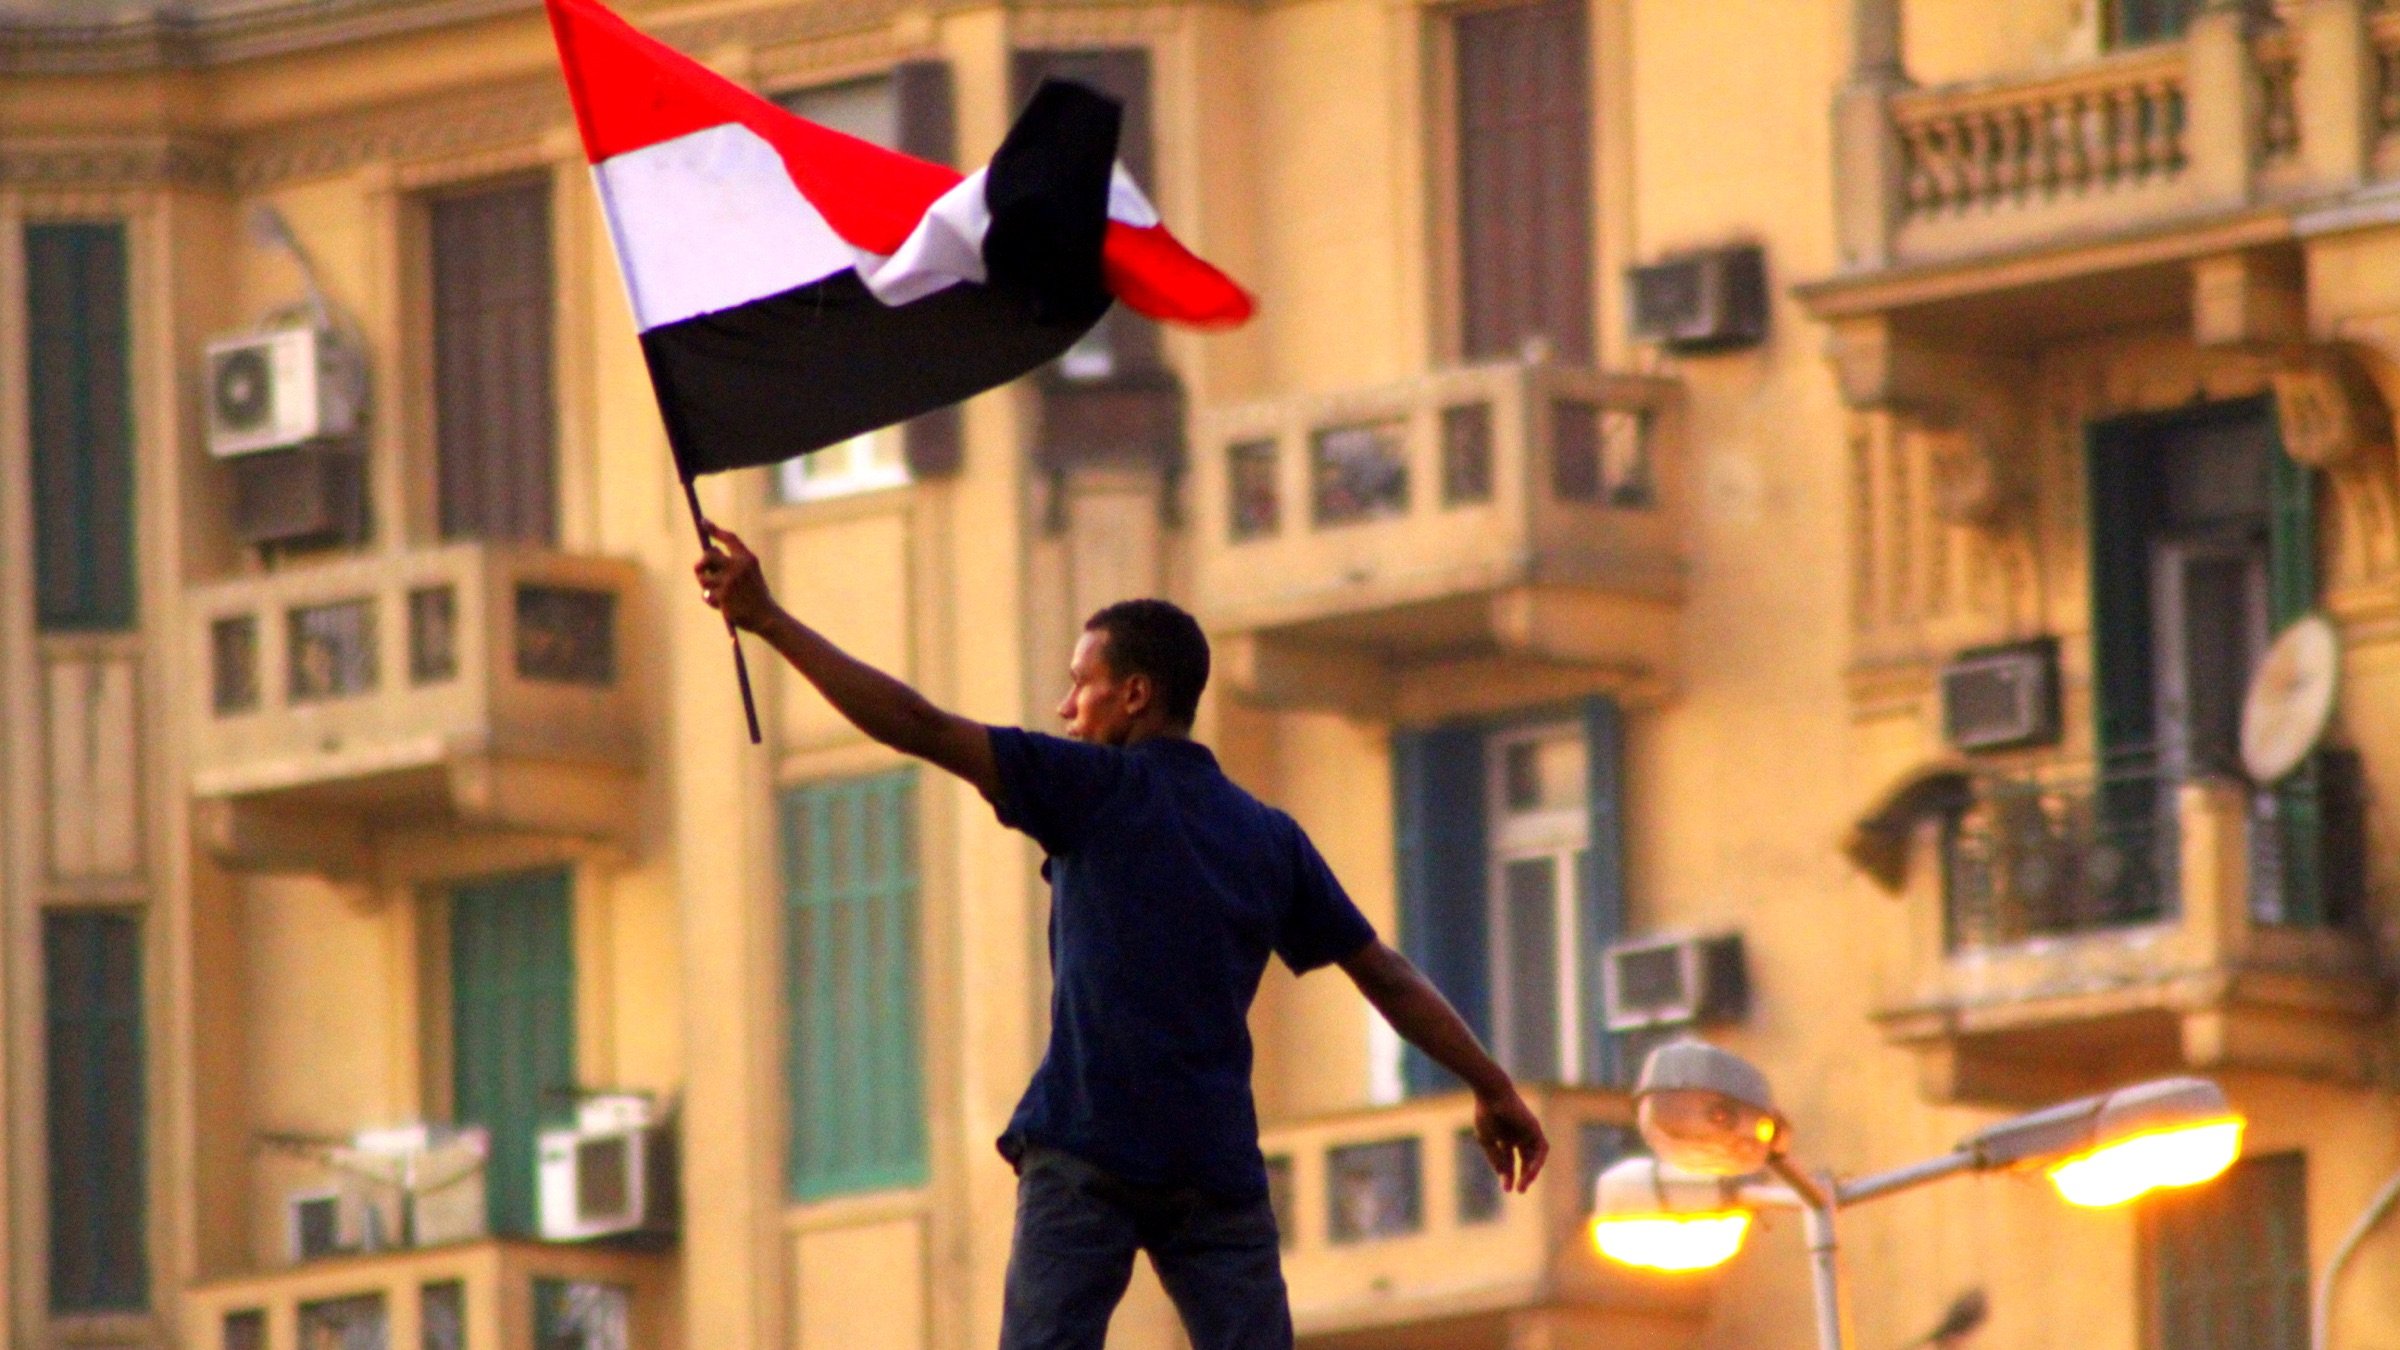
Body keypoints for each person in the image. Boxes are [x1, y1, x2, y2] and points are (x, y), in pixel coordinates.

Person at [695, 522, 1549, 1350]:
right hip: (1212, 1168)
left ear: (1135, 694)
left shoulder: (1091, 788)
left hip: (1087, 1144)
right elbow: (1387, 975)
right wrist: (1492, 1085)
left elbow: (916, 723)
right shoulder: (1268, 836)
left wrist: (770, 620)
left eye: (1080, 684)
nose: (1065, 708)